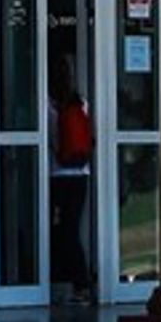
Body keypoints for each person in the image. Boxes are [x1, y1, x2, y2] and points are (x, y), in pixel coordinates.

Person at [49, 70, 98, 304]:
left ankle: (78, 283)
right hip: (81, 175)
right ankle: (78, 284)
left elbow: (51, 140)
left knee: (62, 231)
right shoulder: (82, 104)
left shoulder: (49, 107)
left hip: (58, 175)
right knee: (71, 229)